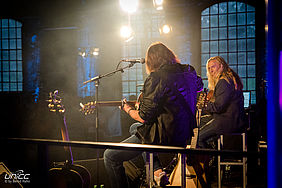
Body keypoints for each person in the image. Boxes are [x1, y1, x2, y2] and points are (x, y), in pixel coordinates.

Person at [103, 42, 203, 188]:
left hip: (165, 137)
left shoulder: (156, 77)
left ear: (151, 60)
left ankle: (155, 171)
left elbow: (144, 116)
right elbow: (199, 88)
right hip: (185, 133)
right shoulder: (189, 70)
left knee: (110, 156)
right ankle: (157, 171)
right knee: (135, 128)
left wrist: (127, 109)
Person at [198, 56, 247, 149]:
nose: (211, 70)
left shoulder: (223, 82)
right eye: (209, 68)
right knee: (198, 122)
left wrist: (203, 105)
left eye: (213, 67)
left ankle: (209, 161)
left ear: (221, 66)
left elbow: (219, 107)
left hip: (227, 122)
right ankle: (213, 149)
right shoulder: (229, 78)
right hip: (232, 120)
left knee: (198, 137)